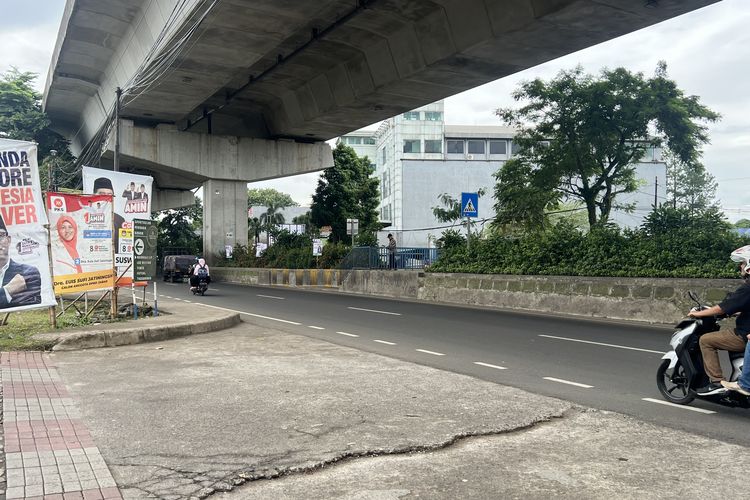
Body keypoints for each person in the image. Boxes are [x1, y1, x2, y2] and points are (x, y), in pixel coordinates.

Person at [689, 245, 750, 395]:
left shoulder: (747, 288)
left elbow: (722, 308)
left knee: (705, 340)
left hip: (743, 334)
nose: (740, 266)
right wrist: (736, 312)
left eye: (742, 263)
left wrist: (699, 314)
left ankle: (717, 382)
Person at [0, 214, 42, 309]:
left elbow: (30, 305)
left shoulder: (28, 273)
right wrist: (7, 290)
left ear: (8, 240)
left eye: (0, 236)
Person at [92, 177, 126, 252]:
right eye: (102, 194)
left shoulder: (119, 220)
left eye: (109, 195)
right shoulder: (85, 217)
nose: (106, 198)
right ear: (94, 195)